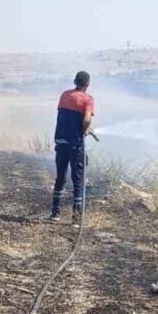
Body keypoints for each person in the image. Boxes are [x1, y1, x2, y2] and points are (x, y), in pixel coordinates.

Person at [51, 71, 95, 222]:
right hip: (75, 144)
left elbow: (66, 117)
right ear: (87, 84)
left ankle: (55, 213)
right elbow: (87, 119)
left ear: (75, 81)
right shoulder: (88, 100)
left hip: (61, 141)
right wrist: (85, 129)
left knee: (60, 178)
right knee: (78, 180)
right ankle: (76, 219)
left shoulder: (64, 95)